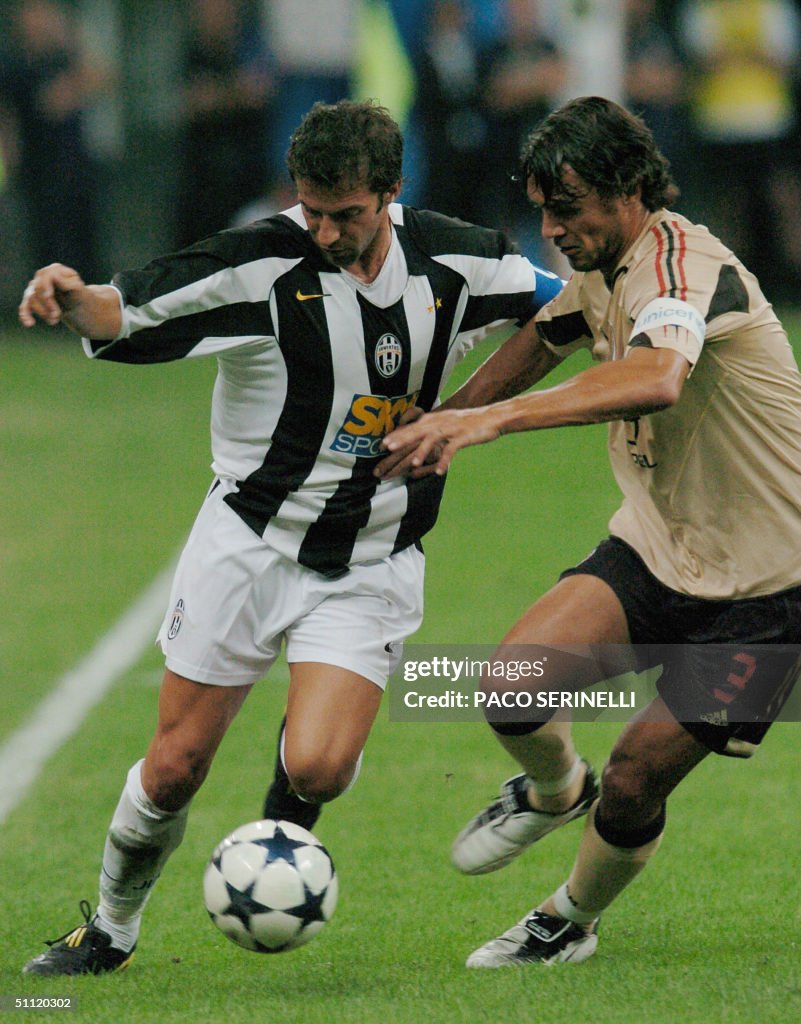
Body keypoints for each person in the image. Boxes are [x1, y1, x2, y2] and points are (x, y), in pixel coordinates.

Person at [17, 98, 562, 976]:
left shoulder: (461, 259)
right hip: (247, 545)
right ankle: (109, 928)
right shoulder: (260, 260)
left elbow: (564, 310)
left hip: (374, 558)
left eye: (345, 214)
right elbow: (128, 309)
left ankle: (273, 844)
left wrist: (470, 412)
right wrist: (73, 296)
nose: (324, 229)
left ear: (391, 192)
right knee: (173, 769)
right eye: (310, 208)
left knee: (318, 767)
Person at [379, 95, 801, 968]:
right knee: (511, 689)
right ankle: (552, 788)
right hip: (661, 546)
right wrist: (440, 426)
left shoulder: (684, 268)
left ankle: (567, 919)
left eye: (566, 208)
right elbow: (542, 339)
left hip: (771, 588)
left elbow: (653, 379)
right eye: (542, 207)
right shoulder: (603, 270)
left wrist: (489, 428)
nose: (550, 229)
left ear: (629, 190)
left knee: (640, 771)